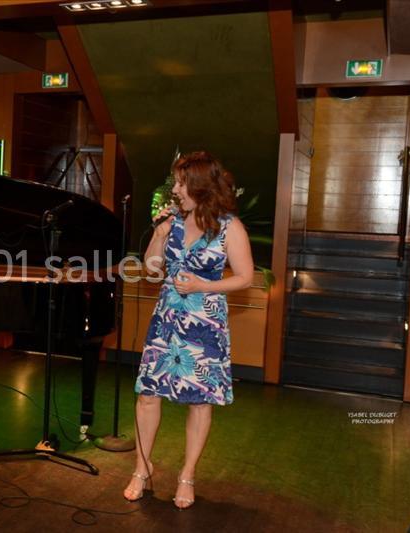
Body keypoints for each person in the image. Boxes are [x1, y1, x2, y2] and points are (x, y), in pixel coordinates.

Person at [123, 152, 254, 509]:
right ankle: (141, 467)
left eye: (180, 183)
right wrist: (159, 232)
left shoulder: (230, 228)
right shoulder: (173, 223)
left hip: (205, 322)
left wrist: (201, 286)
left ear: (198, 187)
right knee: (148, 394)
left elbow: (245, 277)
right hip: (167, 317)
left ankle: (187, 475)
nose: (175, 190)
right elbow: (151, 270)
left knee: (199, 401)